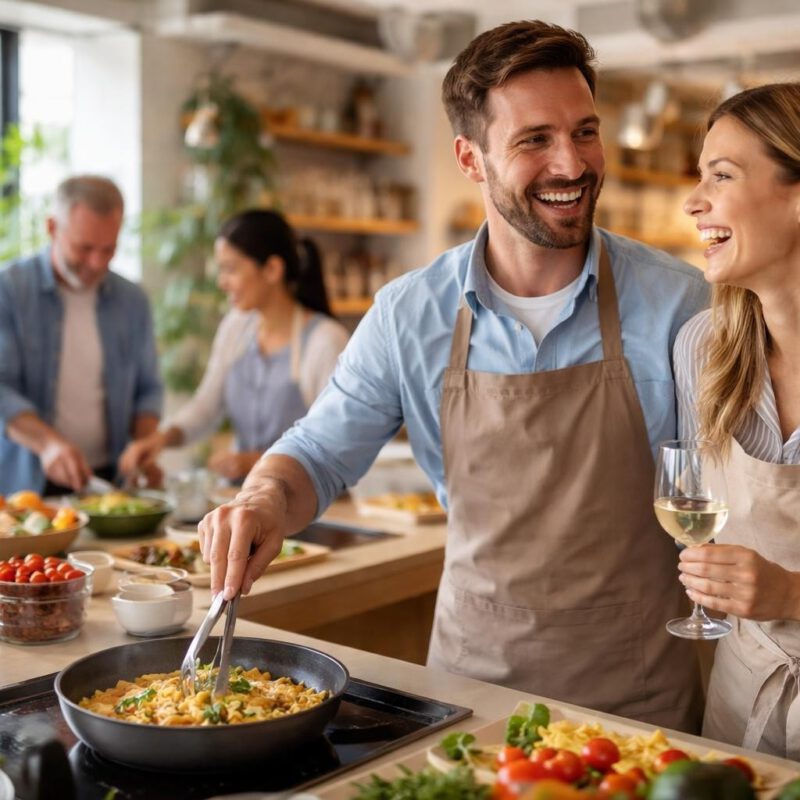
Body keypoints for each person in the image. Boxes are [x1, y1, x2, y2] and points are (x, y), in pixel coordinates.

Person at [198, 21, 710, 731]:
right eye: (535, 140)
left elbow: (738, 485)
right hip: (472, 697)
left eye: (584, 131)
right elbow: (317, 452)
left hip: (637, 706)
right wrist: (260, 502)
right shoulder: (410, 314)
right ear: (471, 158)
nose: (572, 163)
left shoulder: (683, 303)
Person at [674, 82, 800, 759]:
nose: (695, 203)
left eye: (720, 176)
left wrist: (792, 592)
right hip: (740, 708)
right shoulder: (703, 348)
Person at [120, 209, 349, 484]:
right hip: (241, 499)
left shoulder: (325, 340)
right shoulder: (236, 327)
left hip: (307, 504)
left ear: (273, 269)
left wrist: (253, 461)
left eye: (231, 268)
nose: (221, 282)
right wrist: (160, 440)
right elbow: (206, 407)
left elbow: (335, 444)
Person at [0, 175, 163, 495]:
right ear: (52, 228)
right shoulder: (8, 291)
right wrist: (48, 444)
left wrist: (144, 446)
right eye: (84, 247)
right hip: (24, 482)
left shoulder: (133, 300)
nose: (96, 262)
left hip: (107, 480)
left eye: (109, 249)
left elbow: (148, 390)